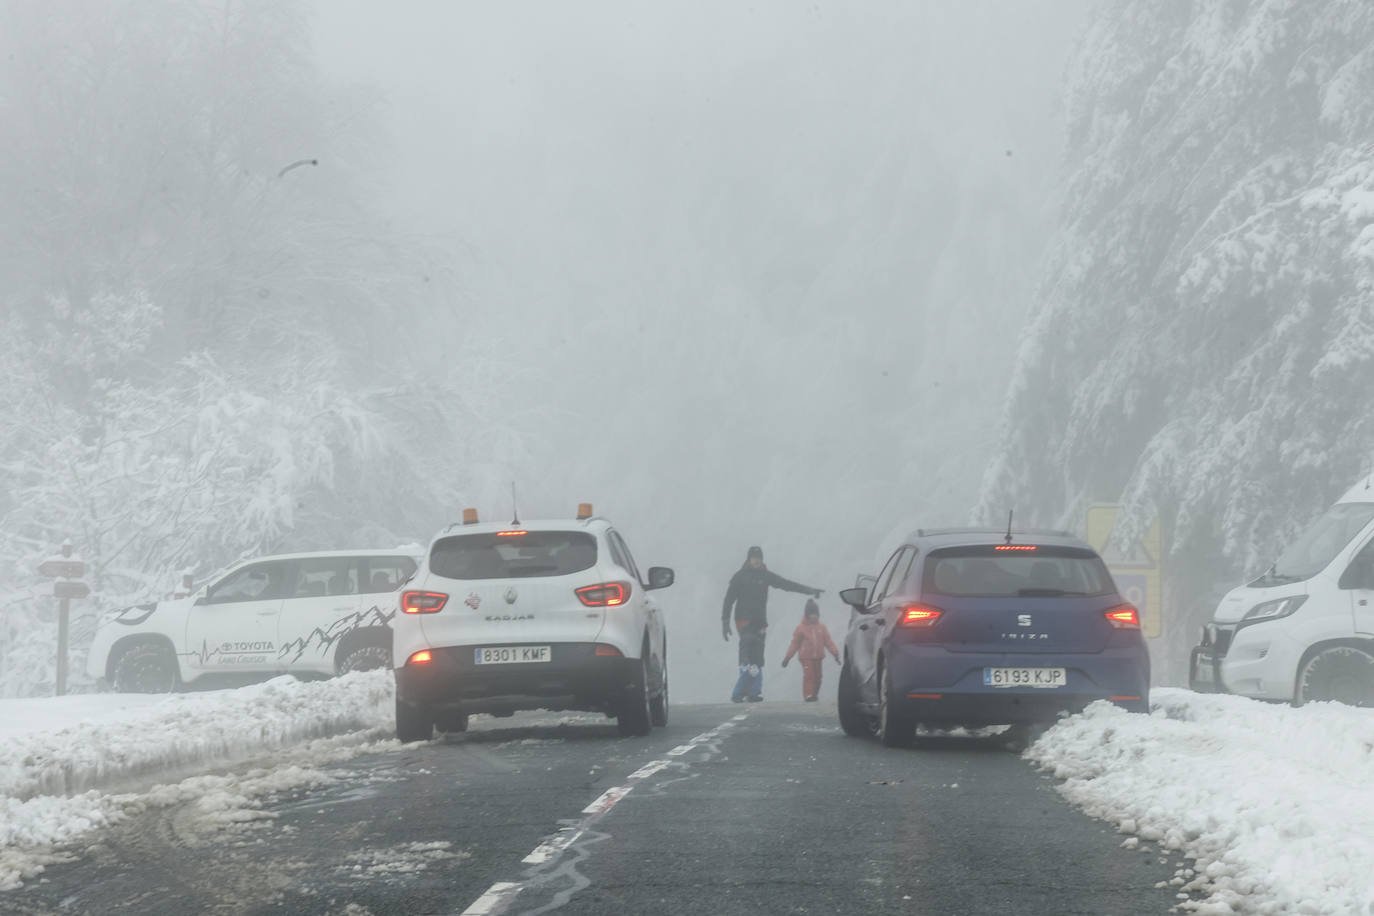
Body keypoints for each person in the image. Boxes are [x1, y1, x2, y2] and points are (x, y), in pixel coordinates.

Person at [721, 545, 821, 702]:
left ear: (762, 559)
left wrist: (810, 590)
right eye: (754, 558)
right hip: (744, 619)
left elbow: (786, 584)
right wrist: (725, 621)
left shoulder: (765, 575)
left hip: (761, 621)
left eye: (759, 558)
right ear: (748, 559)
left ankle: (753, 692)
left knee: (758, 656)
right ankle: (741, 691)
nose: (756, 561)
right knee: (747, 655)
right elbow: (729, 599)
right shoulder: (739, 576)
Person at [781, 599, 841, 701]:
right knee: (809, 676)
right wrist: (787, 657)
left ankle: (814, 694)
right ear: (807, 615)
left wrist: (835, 654)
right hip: (806, 657)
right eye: (811, 614)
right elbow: (794, 644)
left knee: (818, 677)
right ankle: (808, 695)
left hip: (818, 657)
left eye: (816, 614)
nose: (814, 616)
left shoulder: (822, 627)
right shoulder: (801, 628)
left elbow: (828, 642)